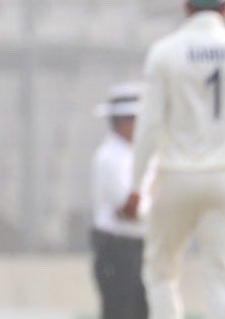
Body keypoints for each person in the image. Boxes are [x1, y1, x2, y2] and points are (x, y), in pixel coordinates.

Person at [121, 0, 225, 319]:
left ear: (186, 5)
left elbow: (149, 126)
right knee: (224, 277)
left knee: (161, 271)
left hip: (175, 176)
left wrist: (137, 186)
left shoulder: (165, 52)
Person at [91, 82, 150, 319]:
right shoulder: (110, 158)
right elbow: (130, 210)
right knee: (119, 311)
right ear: (122, 121)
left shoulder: (133, 154)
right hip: (117, 248)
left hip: (138, 247)